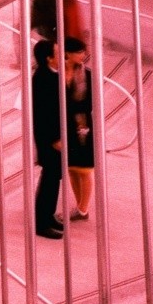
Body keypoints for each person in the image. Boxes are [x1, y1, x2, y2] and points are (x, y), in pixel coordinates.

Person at [32, 37, 86, 238]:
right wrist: (55, 139)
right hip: (51, 139)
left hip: (58, 136)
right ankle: (41, 221)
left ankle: (47, 215)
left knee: (53, 178)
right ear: (48, 58)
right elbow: (45, 113)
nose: (61, 54)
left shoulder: (53, 73)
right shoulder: (43, 78)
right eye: (57, 52)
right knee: (50, 179)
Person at [65, 42, 96, 222]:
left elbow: (89, 103)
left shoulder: (87, 75)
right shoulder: (59, 73)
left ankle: (83, 208)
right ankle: (79, 205)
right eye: (78, 52)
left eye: (83, 52)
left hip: (81, 124)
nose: (82, 55)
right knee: (72, 168)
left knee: (84, 168)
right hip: (65, 123)